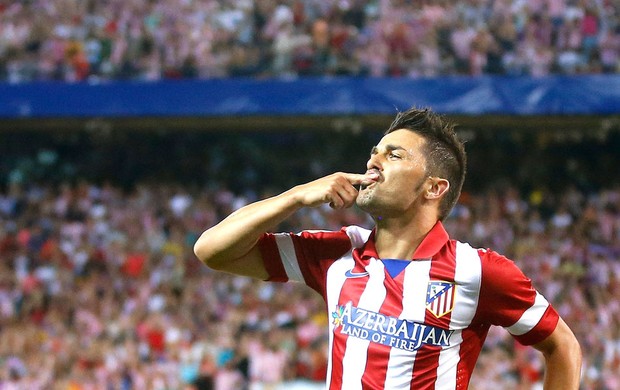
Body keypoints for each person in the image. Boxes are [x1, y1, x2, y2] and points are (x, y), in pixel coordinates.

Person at [193, 107, 582, 389]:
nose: (373, 160)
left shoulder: (478, 271)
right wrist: (295, 197)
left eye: (394, 154)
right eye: (375, 151)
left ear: (434, 187)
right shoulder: (337, 254)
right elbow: (212, 250)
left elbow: (562, 345)